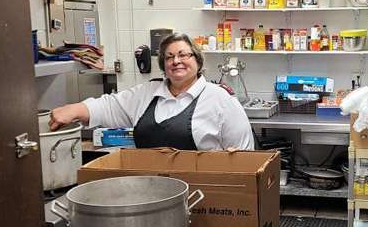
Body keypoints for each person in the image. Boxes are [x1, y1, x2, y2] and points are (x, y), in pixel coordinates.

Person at [49, 33, 254, 151]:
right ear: (163, 65)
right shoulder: (146, 93)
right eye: (169, 57)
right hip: (151, 194)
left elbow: (244, 153)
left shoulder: (220, 99)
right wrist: (75, 109)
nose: (176, 61)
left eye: (184, 55)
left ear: (198, 61)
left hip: (204, 197)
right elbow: (109, 106)